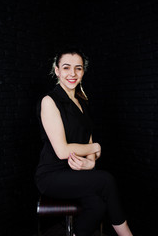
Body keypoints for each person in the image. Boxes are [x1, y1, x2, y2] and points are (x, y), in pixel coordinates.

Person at [35, 47, 133, 236]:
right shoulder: (49, 101)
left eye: (78, 68)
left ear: (83, 71)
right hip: (52, 175)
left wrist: (91, 162)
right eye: (66, 67)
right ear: (56, 70)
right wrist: (96, 147)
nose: (72, 73)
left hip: (77, 173)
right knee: (107, 180)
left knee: (97, 206)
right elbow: (63, 151)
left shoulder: (82, 101)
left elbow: (87, 141)